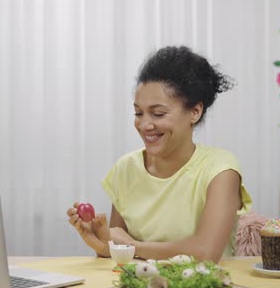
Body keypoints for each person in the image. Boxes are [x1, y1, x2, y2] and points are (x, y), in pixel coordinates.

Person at [67, 46, 252, 263]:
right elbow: (122, 253)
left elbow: (205, 252)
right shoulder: (126, 169)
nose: (145, 125)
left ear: (195, 111)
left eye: (158, 113)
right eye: (138, 113)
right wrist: (103, 244)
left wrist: (132, 246)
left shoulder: (220, 169)